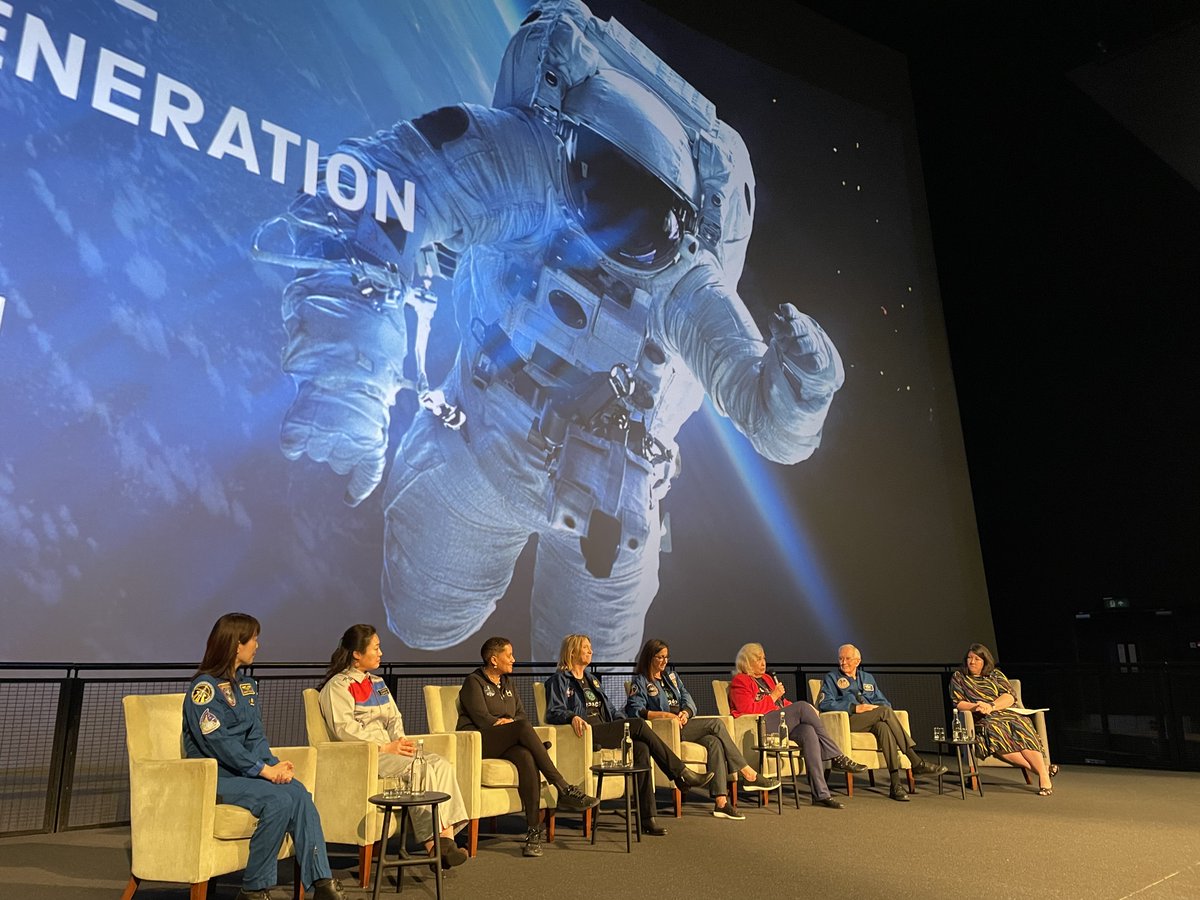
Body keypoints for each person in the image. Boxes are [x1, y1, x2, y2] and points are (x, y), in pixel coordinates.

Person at [255, 0, 844, 664]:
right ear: (574, 158)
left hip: (610, 499)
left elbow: (766, 416)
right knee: (424, 620)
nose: (619, 238)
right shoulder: (526, 162)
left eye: (646, 220)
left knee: (594, 695)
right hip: (483, 444)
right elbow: (369, 190)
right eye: (611, 197)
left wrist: (802, 391)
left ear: (679, 223)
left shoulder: (684, 276)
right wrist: (346, 380)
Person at [182, 613, 346, 900]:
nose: (257, 645)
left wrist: (272, 765)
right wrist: (262, 770)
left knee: (299, 792)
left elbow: (255, 735)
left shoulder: (246, 686)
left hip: (245, 773)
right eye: (254, 639)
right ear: (237, 644)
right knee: (278, 800)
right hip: (215, 776)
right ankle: (254, 889)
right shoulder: (204, 689)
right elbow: (219, 743)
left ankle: (322, 882)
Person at [317, 624, 469, 869]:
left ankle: (447, 841)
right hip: (367, 754)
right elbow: (344, 729)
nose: (380, 653)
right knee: (420, 768)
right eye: (376, 648)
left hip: (390, 750)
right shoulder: (339, 685)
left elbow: (394, 718)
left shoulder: (377, 683)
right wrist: (384, 747)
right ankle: (433, 845)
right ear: (357, 653)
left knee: (441, 764)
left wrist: (400, 742)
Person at [543, 634, 713, 836]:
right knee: (639, 724)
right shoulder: (559, 680)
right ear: (572, 652)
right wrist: (571, 716)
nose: (591, 651)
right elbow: (553, 712)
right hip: (585, 735)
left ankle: (647, 818)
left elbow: (612, 711)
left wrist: (623, 721)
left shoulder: (592, 680)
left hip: (605, 729)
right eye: (586, 647)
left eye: (590, 647)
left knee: (642, 747)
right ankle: (680, 773)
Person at [457, 636, 599, 858]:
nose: (513, 659)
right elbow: (482, 718)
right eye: (509, 655)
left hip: (507, 740)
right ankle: (563, 787)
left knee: (526, 757)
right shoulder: (473, 682)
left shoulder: (507, 683)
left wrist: (511, 724)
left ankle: (533, 833)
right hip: (479, 741)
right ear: (494, 659)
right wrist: (506, 724)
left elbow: (521, 714)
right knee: (522, 728)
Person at [625, 638, 779, 820]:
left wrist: (686, 712)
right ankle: (747, 772)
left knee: (714, 742)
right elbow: (635, 710)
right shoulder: (641, 681)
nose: (664, 661)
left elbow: (688, 700)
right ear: (650, 657)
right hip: (665, 730)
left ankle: (721, 802)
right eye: (660, 657)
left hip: (684, 724)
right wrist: (665, 716)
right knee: (716, 724)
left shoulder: (671, 678)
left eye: (666, 657)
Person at [728, 642, 865, 809]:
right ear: (747, 662)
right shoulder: (740, 681)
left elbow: (782, 703)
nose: (763, 663)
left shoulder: (767, 679)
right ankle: (836, 755)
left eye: (764, 658)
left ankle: (821, 794)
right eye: (758, 659)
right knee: (802, 707)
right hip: (759, 726)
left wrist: (805, 709)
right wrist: (773, 697)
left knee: (808, 731)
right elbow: (747, 710)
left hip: (780, 722)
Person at [816, 643, 947, 801]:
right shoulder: (832, 678)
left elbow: (884, 703)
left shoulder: (868, 678)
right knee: (884, 712)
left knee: (884, 726)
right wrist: (854, 707)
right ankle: (915, 760)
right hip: (849, 721)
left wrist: (875, 709)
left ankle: (895, 785)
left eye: (847, 659)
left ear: (857, 661)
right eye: (840, 659)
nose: (843, 662)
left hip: (872, 719)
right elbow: (825, 704)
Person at [950, 643, 1056, 796]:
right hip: (982, 718)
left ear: (985, 661)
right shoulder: (959, 677)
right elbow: (958, 702)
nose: (972, 662)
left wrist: (991, 706)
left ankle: (1043, 776)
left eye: (977, 659)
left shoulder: (995, 675)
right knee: (995, 731)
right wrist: (977, 706)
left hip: (1004, 712)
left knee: (1022, 726)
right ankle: (1043, 771)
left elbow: (1009, 696)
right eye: (969, 658)